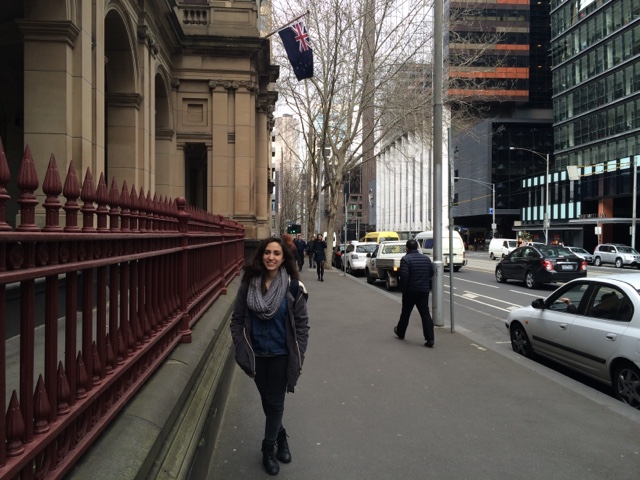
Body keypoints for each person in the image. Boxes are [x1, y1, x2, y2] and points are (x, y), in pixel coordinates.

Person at [229, 237, 310, 475]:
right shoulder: (249, 284)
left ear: (283, 258)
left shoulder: (293, 287)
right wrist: (240, 347)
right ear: (261, 255)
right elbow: (237, 320)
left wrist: (299, 354)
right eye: (267, 252)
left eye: (276, 253)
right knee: (268, 402)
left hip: (281, 355)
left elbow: (302, 326)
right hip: (256, 355)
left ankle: (268, 448)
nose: (271, 257)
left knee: (275, 403)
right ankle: (281, 437)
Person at [394, 239, 435, 347]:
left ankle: (401, 332)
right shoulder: (426, 259)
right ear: (417, 247)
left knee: (406, 313)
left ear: (407, 249)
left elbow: (404, 276)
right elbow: (431, 273)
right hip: (423, 291)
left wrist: (403, 289)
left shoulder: (405, 259)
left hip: (410, 291)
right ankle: (430, 338)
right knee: (425, 314)